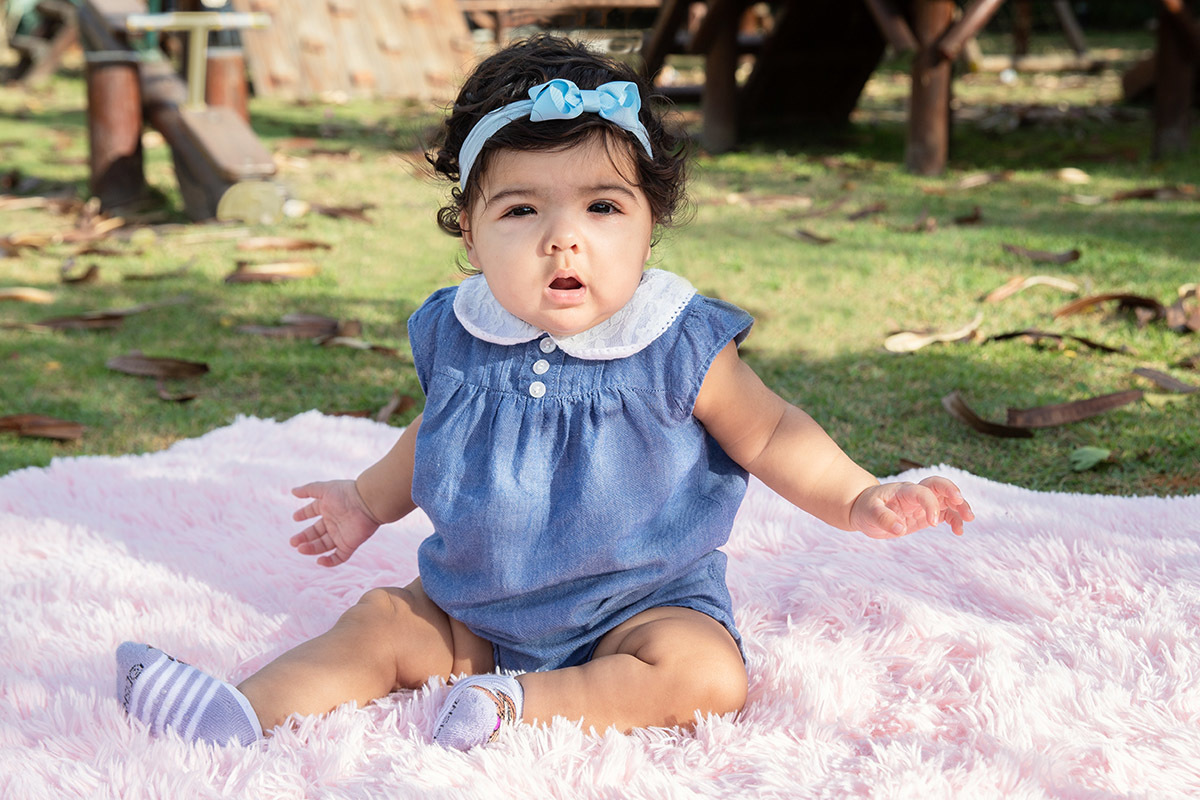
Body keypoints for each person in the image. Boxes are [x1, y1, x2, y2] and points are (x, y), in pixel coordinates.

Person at [115, 35, 973, 751]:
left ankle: (522, 707)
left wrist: (859, 493)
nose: (565, 240)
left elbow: (772, 432)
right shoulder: (460, 330)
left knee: (707, 675)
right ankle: (237, 711)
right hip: (475, 604)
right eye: (522, 211)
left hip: (642, 607)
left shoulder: (675, 342)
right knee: (377, 622)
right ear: (472, 229)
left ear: (649, 222)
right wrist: (363, 501)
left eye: (602, 208)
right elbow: (439, 435)